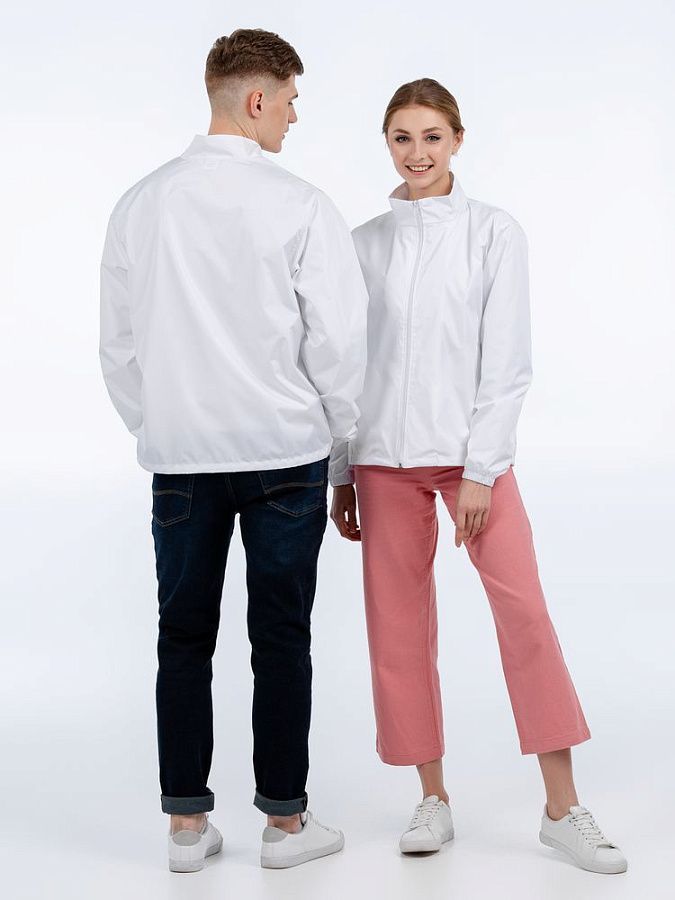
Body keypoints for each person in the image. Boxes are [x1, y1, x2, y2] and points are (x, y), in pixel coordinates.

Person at [330, 78, 627, 875]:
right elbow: (347, 365)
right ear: (385, 143)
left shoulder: (494, 233)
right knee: (397, 629)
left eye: (431, 136)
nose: (416, 152)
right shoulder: (362, 244)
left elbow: (508, 360)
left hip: (469, 460)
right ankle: (431, 797)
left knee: (523, 612)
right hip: (380, 460)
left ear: (457, 140)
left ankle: (561, 808)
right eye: (401, 137)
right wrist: (340, 469)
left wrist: (482, 468)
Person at [99, 28, 368, 872]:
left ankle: (186, 828)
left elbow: (119, 346)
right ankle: (285, 828)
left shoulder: (140, 203)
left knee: (181, 636)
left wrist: (162, 425)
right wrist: (339, 443)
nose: (293, 115)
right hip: (284, 452)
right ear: (256, 99)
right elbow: (338, 345)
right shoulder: (300, 205)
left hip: (181, 459)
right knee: (280, 637)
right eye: (289, 100)